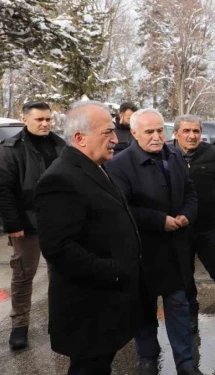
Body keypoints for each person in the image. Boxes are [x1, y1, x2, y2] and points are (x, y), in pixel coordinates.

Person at [34, 101, 143, 375]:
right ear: (80, 138)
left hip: (105, 304)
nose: (116, 140)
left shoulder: (95, 166)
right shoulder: (60, 179)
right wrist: (116, 272)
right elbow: (59, 249)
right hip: (87, 310)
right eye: (108, 133)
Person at [106, 109, 202, 375]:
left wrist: (186, 214)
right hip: (143, 252)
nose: (157, 136)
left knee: (179, 307)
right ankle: (147, 359)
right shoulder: (119, 164)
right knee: (144, 310)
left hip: (175, 249)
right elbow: (123, 208)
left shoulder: (174, 155)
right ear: (134, 133)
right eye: (149, 131)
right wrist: (159, 220)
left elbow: (191, 191)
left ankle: (186, 363)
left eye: (160, 130)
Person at [0, 101, 65, 350]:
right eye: (40, 119)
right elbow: (3, 188)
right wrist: (13, 223)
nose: (45, 124)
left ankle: (58, 321)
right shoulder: (11, 148)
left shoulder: (60, 145)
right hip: (26, 224)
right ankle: (19, 326)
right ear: (25, 119)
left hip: (58, 222)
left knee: (59, 272)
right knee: (24, 274)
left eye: (48, 119)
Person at [172, 114, 215, 332]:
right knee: (184, 273)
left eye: (196, 131)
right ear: (176, 133)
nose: (192, 136)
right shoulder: (167, 154)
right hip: (180, 228)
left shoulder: (210, 153)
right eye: (186, 131)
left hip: (208, 224)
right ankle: (191, 312)